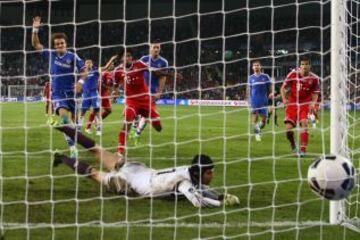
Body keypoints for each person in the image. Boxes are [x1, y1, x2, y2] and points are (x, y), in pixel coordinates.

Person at [53, 126, 240, 207]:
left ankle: (65, 128)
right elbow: (198, 201)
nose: (212, 175)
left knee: (97, 150)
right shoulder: (183, 182)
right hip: (131, 183)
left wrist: (220, 194)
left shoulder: (187, 171)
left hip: (138, 169)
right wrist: (221, 202)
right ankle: (62, 158)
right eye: (210, 172)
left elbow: (200, 188)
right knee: (94, 173)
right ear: (201, 172)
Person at [32, 16, 87, 158]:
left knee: (75, 124)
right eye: (56, 44)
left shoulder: (73, 56)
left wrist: (81, 82)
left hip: (72, 93)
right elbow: (36, 45)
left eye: (61, 43)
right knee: (64, 120)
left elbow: (84, 70)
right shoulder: (50, 54)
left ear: (65, 44)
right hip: (58, 93)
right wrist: (35, 30)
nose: (59, 46)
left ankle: (75, 137)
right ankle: (73, 148)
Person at [113, 49, 164, 156]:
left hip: (145, 100)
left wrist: (168, 75)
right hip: (132, 101)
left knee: (158, 127)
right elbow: (115, 84)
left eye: (129, 56)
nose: (127, 58)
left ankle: (146, 118)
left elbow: (153, 70)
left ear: (132, 58)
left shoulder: (139, 64)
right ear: (121, 58)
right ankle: (120, 151)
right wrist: (115, 92)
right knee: (127, 123)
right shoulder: (117, 71)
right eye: (124, 56)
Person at [130, 41, 168, 144]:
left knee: (147, 114)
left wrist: (159, 92)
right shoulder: (144, 59)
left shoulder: (163, 62)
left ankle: (137, 132)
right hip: (140, 90)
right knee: (136, 111)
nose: (156, 49)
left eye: (158, 48)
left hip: (152, 91)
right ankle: (134, 127)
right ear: (150, 48)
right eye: (154, 47)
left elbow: (163, 78)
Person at [280, 56, 320, 157]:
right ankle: (293, 144)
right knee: (288, 130)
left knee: (305, 124)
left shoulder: (314, 78)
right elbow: (283, 88)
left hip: (305, 104)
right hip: (293, 104)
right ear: (299, 66)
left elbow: (315, 94)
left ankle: (303, 150)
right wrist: (284, 99)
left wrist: (313, 103)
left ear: (310, 66)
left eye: (306, 64)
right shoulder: (293, 74)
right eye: (302, 64)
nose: (304, 66)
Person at [85, 56, 118, 134]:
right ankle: (88, 127)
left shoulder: (111, 73)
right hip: (99, 94)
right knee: (95, 110)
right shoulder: (104, 73)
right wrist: (111, 89)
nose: (111, 66)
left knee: (109, 110)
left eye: (113, 64)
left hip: (105, 94)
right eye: (110, 64)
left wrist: (113, 90)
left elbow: (112, 84)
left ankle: (96, 122)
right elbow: (101, 84)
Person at [247, 60, 272, 141]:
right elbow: (248, 90)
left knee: (264, 121)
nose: (256, 67)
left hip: (264, 101)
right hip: (254, 101)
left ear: (260, 67)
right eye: (254, 65)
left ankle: (258, 128)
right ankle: (257, 135)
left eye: (257, 65)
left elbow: (270, 87)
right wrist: (248, 100)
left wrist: (271, 93)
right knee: (254, 118)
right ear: (252, 68)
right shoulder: (250, 78)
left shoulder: (266, 76)